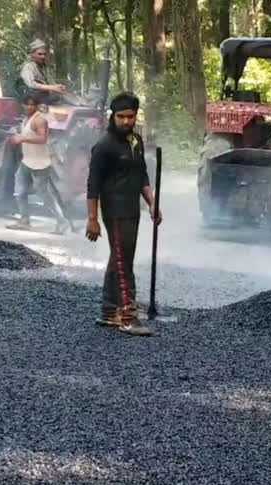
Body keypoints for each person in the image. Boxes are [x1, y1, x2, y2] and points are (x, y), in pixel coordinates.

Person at [86, 92, 162, 336]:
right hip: (116, 211)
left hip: (133, 209)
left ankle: (109, 312)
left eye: (130, 116)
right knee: (123, 262)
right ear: (112, 116)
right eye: (121, 117)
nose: (126, 121)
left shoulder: (136, 141)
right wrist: (92, 219)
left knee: (118, 258)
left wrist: (151, 203)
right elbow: (93, 185)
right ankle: (129, 316)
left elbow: (142, 175)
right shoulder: (104, 147)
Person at [6, 91, 73, 234]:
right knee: (19, 190)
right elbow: (26, 134)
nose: (29, 107)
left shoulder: (39, 120)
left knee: (44, 194)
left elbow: (42, 139)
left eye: (33, 104)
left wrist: (21, 139)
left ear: (36, 106)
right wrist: (17, 135)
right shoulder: (26, 119)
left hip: (40, 163)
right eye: (27, 104)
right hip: (27, 161)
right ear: (23, 105)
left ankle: (62, 222)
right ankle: (25, 221)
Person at [17, 39, 66, 105]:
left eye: (44, 54)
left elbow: (50, 82)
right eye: (39, 54)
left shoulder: (43, 67)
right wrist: (52, 87)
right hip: (30, 103)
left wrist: (57, 87)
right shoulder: (28, 66)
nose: (43, 56)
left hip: (43, 101)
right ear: (32, 54)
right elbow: (31, 84)